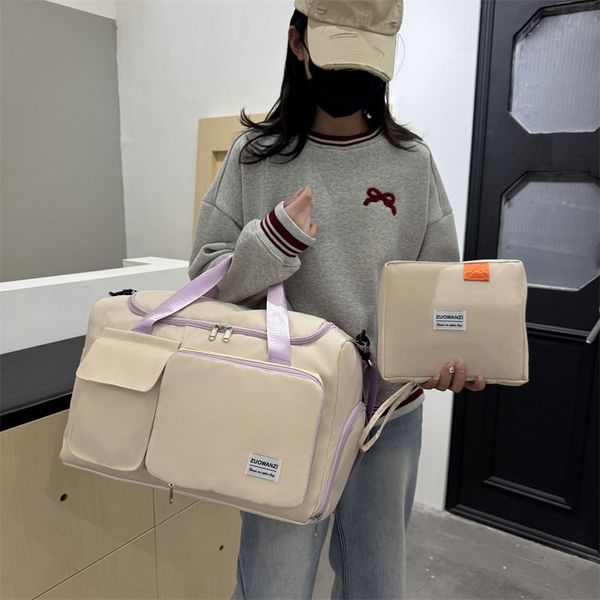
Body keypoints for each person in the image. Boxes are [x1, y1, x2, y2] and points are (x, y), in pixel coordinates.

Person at [188, 1, 486, 597]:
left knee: (377, 585)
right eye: (339, 56)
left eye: (367, 62)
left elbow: (440, 291)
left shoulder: (413, 164)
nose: (352, 77)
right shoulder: (253, 159)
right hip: (283, 409)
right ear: (298, 42)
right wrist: (273, 241)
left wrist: (453, 355)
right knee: (273, 585)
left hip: (388, 417)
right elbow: (203, 283)